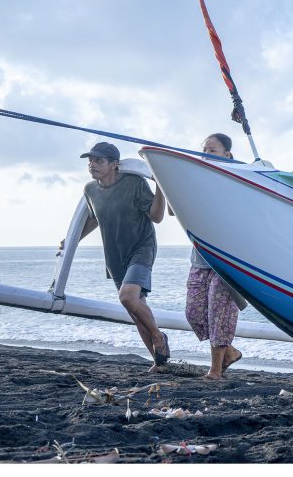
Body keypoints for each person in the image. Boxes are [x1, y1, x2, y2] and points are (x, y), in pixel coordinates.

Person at [65, 141, 169, 371]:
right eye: (90, 161)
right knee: (135, 310)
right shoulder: (90, 190)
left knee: (128, 298)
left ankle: (158, 336)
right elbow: (93, 218)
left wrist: (160, 187)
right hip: (115, 255)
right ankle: (158, 362)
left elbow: (156, 216)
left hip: (141, 248)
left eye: (98, 160)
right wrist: (72, 239)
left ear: (114, 164)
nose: (92, 165)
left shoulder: (134, 182)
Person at [184, 133, 244, 380]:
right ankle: (229, 352)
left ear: (227, 155)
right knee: (194, 313)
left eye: (213, 150)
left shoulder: (237, 180)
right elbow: (175, 210)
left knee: (220, 314)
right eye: (204, 150)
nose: (206, 154)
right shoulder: (195, 180)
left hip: (226, 260)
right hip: (199, 258)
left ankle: (215, 370)